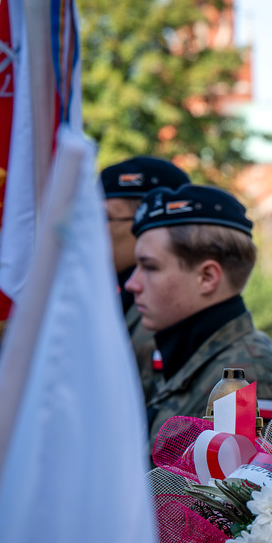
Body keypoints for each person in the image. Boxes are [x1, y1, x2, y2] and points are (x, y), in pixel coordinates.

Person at [125, 183, 272, 456]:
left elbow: (266, 496)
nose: (133, 284)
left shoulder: (249, 380)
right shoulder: (192, 362)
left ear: (207, 278)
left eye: (150, 267)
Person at [99, 156, 191, 401]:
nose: (94, 230)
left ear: (147, 224)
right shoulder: (115, 299)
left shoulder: (166, 314)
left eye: (105, 218)